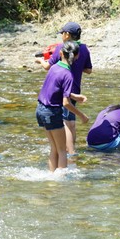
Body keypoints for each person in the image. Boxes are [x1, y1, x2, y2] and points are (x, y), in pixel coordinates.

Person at [36, 22, 92, 155]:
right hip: (75, 90)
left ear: (67, 35)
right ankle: (71, 149)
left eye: (62, 33)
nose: (62, 35)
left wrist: (40, 61)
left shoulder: (61, 48)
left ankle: (70, 152)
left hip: (61, 91)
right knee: (71, 121)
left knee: (66, 122)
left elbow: (48, 66)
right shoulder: (83, 48)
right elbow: (89, 70)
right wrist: (78, 67)